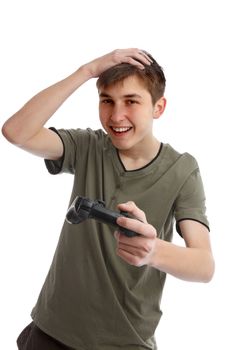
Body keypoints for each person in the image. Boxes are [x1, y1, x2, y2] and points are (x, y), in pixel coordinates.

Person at [2, 48, 215, 350]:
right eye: (107, 101)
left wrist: (152, 251)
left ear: (158, 107)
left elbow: (204, 265)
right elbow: (16, 132)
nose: (116, 116)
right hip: (51, 331)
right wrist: (86, 71)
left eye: (131, 101)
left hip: (124, 342)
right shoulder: (88, 146)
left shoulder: (182, 169)